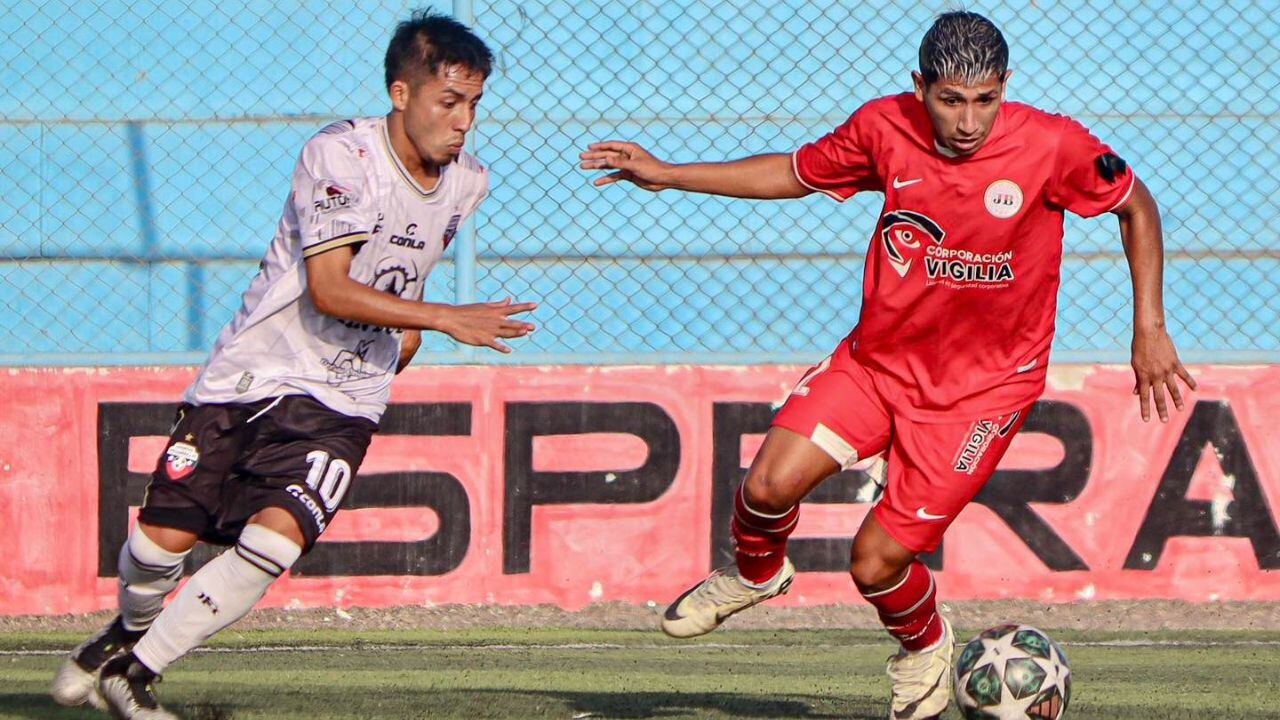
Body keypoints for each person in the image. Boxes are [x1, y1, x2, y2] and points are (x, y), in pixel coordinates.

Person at [580, 11, 1194, 719]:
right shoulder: (882, 127)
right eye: (951, 100)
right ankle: (756, 573)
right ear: (920, 87)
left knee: (873, 562)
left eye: (985, 100)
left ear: (1005, 89)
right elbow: (793, 172)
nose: (969, 122)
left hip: (982, 395)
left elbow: (1135, 205)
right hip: (878, 364)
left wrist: (1149, 326)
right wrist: (669, 175)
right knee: (767, 485)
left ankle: (925, 646)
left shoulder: (1054, 144)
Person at [51, 11, 534, 719]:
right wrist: (442, 319)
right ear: (401, 94)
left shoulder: (468, 182)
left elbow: (407, 261)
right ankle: (125, 632)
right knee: (160, 545)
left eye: (475, 105)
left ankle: (139, 672)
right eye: (449, 101)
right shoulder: (341, 156)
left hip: (345, 396)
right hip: (258, 370)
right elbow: (330, 288)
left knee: (278, 538)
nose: (464, 122)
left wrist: (411, 324)